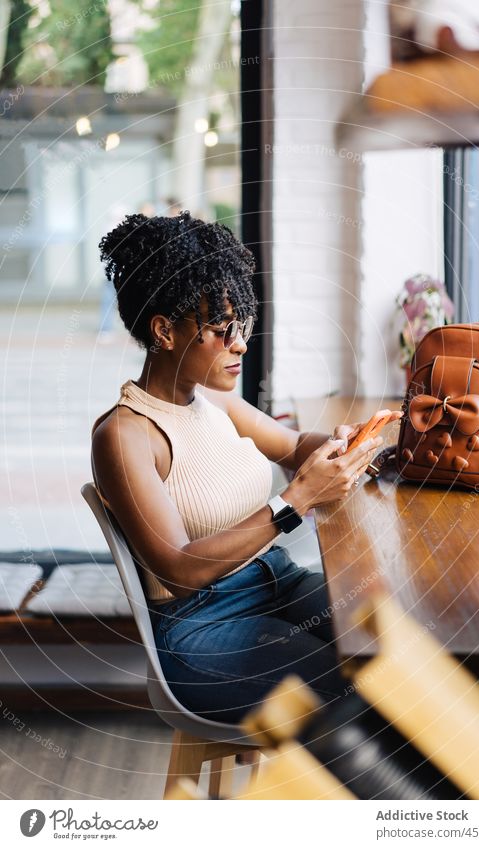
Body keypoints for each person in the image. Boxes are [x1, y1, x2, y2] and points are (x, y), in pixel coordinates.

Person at [91, 211, 391, 724]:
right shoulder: (124, 436)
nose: (240, 344)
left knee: (399, 645)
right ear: (164, 330)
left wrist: (350, 441)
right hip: (202, 629)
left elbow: (296, 445)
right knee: (356, 693)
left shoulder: (215, 402)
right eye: (221, 329)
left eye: (242, 326)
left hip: (274, 580)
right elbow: (180, 570)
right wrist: (295, 501)